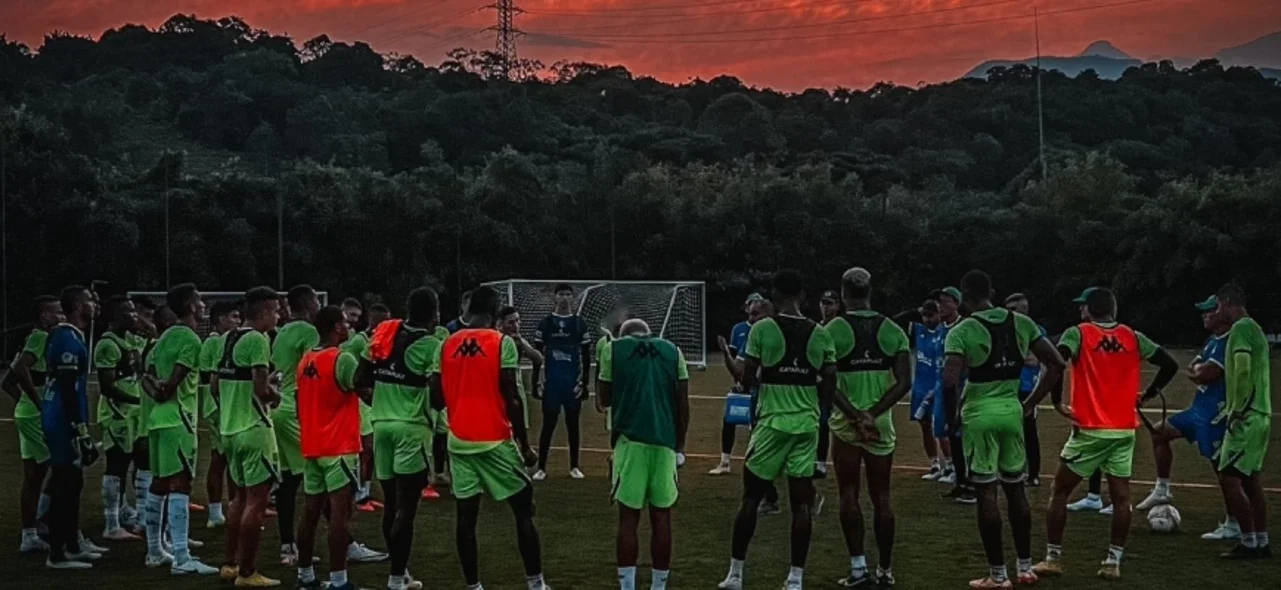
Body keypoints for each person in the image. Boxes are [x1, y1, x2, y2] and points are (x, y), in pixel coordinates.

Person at [1033, 286, 1178, 581]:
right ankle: (1113, 562)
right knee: (1121, 497)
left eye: (1082, 306)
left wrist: (1056, 401)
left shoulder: (1078, 333)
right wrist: (1150, 393)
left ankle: (1053, 559)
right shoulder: (1133, 336)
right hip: (1123, 430)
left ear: (1090, 308)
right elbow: (1170, 364)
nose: (1080, 310)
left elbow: (1056, 363)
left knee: (1059, 491)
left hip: (1090, 429)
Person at [942, 271, 1066, 590]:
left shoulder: (961, 330)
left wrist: (952, 417)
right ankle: (1025, 568)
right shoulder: (1022, 323)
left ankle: (997, 575)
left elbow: (949, 380)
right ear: (992, 292)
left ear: (963, 297)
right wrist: (1030, 403)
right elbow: (1056, 364)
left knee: (986, 492)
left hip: (979, 414)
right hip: (1013, 412)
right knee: (1015, 489)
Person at [718, 270, 835, 590]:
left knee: (751, 499)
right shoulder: (820, 333)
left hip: (772, 423)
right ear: (803, 296)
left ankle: (735, 574)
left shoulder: (762, 329)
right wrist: (817, 408)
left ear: (775, 296)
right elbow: (829, 382)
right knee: (801, 504)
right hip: (807, 424)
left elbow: (746, 378)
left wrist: (734, 361)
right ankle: (795, 578)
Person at [433, 285, 549, 590]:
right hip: (494, 439)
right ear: (495, 312)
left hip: (459, 441)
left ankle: (473, 586)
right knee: (524, 510)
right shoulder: (501, 343)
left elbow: (435, 397)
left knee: (466, 517)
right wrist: (525, 445)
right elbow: (511, 396)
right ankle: (536, 584)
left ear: (469, 310)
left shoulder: (445, 344)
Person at [824, 268, 911, 587]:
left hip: (846, 425)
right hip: (880, 424)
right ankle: (885, 570)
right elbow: (904, 382)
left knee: (848, 494)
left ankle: (858, 568)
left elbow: (825, 381)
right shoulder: (893, 329)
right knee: (882, 497)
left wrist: (855, 415)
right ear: (870, 291)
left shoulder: (831, 330)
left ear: (843, 293)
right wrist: (872, 415)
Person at [597, 318, 690, 590]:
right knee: (662, 517)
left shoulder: (613, 349)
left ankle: (628, 586)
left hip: (630, 441)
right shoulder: (673, 350)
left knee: (629, 518)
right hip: (665, 443)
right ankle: (659, 586)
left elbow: (604, 399)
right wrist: (679, 447)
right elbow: (683, 404)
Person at [359, 288, 441, 590]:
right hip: (411, 429)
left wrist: (380, 402)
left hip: (381, 426)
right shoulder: (432, 344)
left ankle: (400, 571)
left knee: (392, 504)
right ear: (434, 314)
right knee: (406, 509)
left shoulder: (384, 334)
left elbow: (358, 379)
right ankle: (396, 579)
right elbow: (437, 394)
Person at [1133, 295, 1236, 538]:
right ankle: (1163, 489)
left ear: (1222, 313)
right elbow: (1194, 368)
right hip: (1198, 410)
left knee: (1223, 470)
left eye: (1209, 311)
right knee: (1159, 432)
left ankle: (1234, 522)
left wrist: (1200, 371)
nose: (1204, 315)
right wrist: (1199, 371)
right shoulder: (1212, 340)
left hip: (1216, 413)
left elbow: (1205, 373)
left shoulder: (1229, 341)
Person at [139, 283, 218, 575]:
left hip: (157, 419)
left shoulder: (164, 337)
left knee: (159, 484)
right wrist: (163, 390)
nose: (204, 304)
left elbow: (145, 376)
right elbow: (171, 385)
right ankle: (182, 558)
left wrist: (157, 390)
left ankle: (154, 551)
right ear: (190, 305)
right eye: (200, 300)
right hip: (178, 420)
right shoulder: (190, 339)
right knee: (180, 485)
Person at [296, 306, 368, 590]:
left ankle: (305, 576)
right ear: (337, 326)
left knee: (311, 512)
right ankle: (339, 580)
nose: (349, 326)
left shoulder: (306, 359)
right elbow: (363, 389)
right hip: (338, 446)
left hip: (312, 445)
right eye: (345, 322)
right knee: (340, 514)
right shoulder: (341, 359)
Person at [215, 286, 283, 587]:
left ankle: (230, 564)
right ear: (264, 312)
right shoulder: (257, 340)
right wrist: (275, 392)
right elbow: (260, 390)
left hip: (229, 428)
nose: (278, 317)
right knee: (257, 501)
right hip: (254, 428)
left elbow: (215, 387)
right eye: (276, 311)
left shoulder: (226, 339)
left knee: (238, 499)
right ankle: (247, 572)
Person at [1213, 283, 1272, 559]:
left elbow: (1244, 370)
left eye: (1218, 306)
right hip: (1261, 414)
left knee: (1228, 478)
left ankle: (1248, 542)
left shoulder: (1240, 329)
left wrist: (1236, 409)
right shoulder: (1255, 328)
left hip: (1247, 416)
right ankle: (1261, 541)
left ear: (1227, 302)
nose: (1217, 312)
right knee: (1251, 481)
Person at [41, 286, 99, 569]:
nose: (94, 304)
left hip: (64, 419)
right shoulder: (66, 337)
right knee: (65, 482)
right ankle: (57, 553)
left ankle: (72, 544)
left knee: (73, 481)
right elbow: (66, 386)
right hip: (61, 420)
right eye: (89, 300)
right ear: (77, 305)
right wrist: (79, 427)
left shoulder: (73, 335)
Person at [5, 295, 62, 554]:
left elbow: (6, 382)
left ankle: (32, 530)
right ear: (44, 316)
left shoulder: (34, 338)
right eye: (56, 312)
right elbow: (19, 369)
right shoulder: (40, 337)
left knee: (35, 475)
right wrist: (39, 404)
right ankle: (49, 525)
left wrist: (24, 403)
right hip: (35, 415)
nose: (61, 317)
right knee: (63, 468)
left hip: (28, 413)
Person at [271, 285, 322, 566]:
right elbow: (310, 374)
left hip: (278, 407)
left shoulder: (281, 332)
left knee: (289, 480)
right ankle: (346, 543)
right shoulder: (308, 332)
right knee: (320, 476)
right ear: (307, 303)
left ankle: (286, 545)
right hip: (295, 410)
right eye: (315, 300)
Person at [718, 298, 783, 514]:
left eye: (755, 314)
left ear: (769, 315)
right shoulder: (753, 336)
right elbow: (740, 373)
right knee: (761, 453)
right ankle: (772, 498)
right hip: (763, 401)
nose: (751, 319)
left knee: (762, 455)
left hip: (780, 404)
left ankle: (771, 499)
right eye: (749, 314)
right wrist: (726, 354)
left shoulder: (782, 334)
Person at [94, 296, 144, 541]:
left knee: (133, 463)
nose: (134, 316)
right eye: (128, 312)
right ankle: (111, 524)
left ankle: (125, 513)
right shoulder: (107, 344)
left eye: (134, 311)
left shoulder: (130, 340)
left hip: (133, 414)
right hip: (118, 414)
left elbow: (139, 372)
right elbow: (107, 386)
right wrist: (137, 400)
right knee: (116, 466)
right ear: (115, 317)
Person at [532, 283, 592, 480]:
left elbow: (586, 356)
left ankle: (574, 466)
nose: (564, 298)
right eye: (561, 294)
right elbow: (536, 355)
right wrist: (536, 382)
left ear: (572, 298)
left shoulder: (579, 323)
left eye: (568, 294)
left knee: (573, 424)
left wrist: (584, 383)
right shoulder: (546, 323)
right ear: (555, 297)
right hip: (552, 383)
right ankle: (541, 468)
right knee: (548, 424)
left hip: (571, 383)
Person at [343, 301, 391, 510]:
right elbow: (352, 372)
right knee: (366, 447)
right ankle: (357, 493)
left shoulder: (382, 341)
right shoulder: (358, 342)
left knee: (371, 450)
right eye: (383, 321)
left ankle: (365, 492)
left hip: (372, 399)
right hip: (359, 400)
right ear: (373, 320)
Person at [711, 293, 765, 475]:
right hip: (744, 383)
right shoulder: (740, 329)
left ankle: (757, 463)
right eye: (752, 307)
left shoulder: (767, 331)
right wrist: (726, 354)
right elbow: (737, 363)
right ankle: (725, 461)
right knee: (729, 420)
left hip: (762, 387)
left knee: (759, 425)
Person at [201, 301, 242, 529]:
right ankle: (219, 511)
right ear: (221, 319)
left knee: (225, 459)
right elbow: (210, 376)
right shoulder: (216, 341)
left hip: (221, 406)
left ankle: (226, 509)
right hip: (219, 407)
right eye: (234, 316)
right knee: (223, 460)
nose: (238, 321)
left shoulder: (222, 341)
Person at [903, 299, 954, 483]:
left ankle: (951, 466)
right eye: (924, 316)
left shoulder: (946, 332)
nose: (926, 319)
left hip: (938, 386)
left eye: (930, 315)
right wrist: (917, 310)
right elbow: (897, 319)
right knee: (925, 427)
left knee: (941, 428)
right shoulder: (917, 330)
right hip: (921, 387)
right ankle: (934, 465)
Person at [1004, 294, 1047, 486]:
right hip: (1006, 387)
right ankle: (1011, 469)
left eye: (1014, 309)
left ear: (1024, 310)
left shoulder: (1035, 330)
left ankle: (1033, 474)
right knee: (1007, 430)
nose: (1010, 313)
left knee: (1029, 431)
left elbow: (1035, 360)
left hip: (1027, 388)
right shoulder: (1003, 330)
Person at [500, 306, 545, 430]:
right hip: (499, 389)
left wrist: (523, 345)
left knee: (519, 427)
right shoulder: (496, 340)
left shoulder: (518, 341)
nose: (515, 325)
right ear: (501, 323)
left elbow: (538, 359)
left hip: (516, 388)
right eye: (511, 322)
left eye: (517, 321)